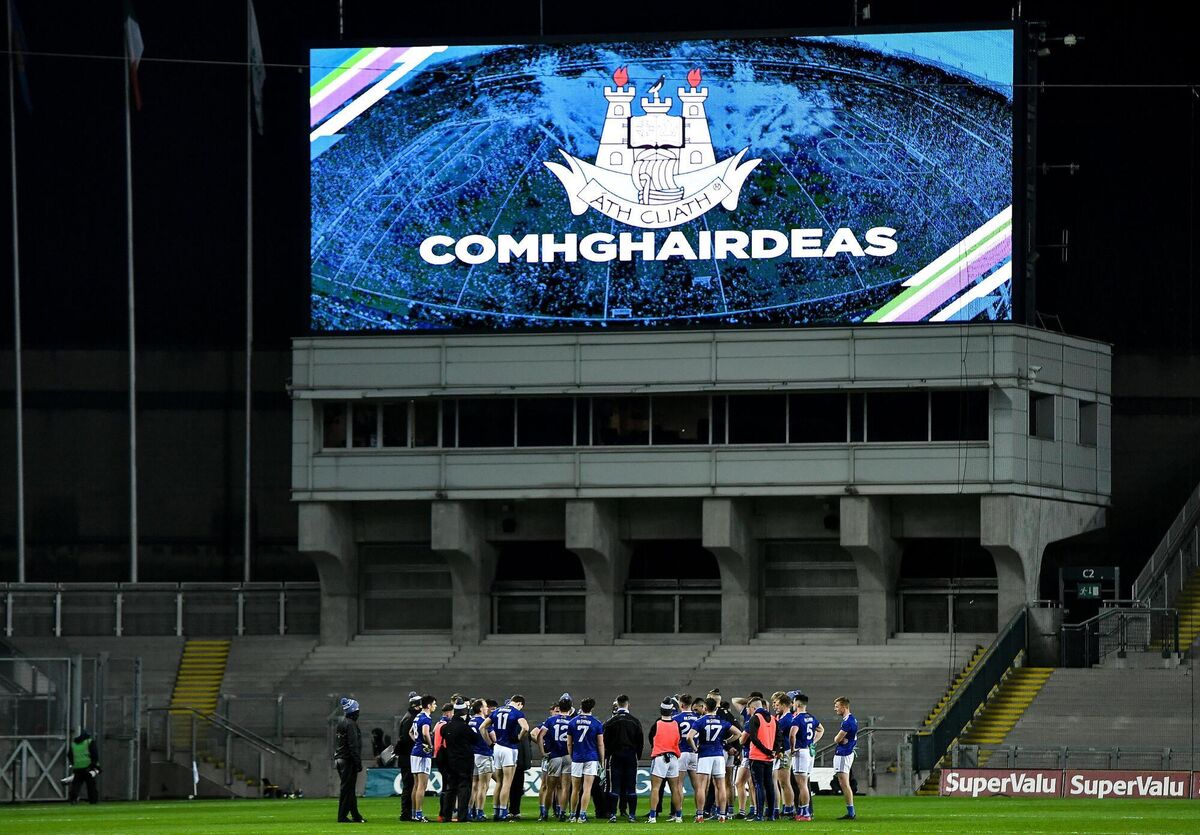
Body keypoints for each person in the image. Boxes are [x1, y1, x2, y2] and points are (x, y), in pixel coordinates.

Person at [647, 697, 696, 823]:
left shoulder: (657, 724)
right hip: (674, 758)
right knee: (675, 788)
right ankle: (678, 816)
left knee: (655, 788)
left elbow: (651, 738)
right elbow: (678, 740)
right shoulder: (676, 724)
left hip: (660, 757)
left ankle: (652, 816)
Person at [481, 694, 529, 821]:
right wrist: (519, 737)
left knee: (499, 782)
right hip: (509, 748)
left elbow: (482, 727)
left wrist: (490, 743)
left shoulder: (497, 711)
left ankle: (496, 811)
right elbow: (525, 728)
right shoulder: (517, 713)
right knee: (507, 782)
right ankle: (503, 811)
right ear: (519, 704)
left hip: (497, 747)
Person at [691, 697, 738, 823]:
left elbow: (689, 737)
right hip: (718, 755)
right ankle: (722, 815)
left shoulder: (700, 721)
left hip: (705, 755)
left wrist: (695, 748)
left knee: (701, 787)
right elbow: (738, 733)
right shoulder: (722, 721)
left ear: (705, 708)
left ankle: (700, 815)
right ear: (716, 708)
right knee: (721, 786)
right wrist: (725, 741)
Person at [603, 694, 643, 822]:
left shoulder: (610, 722)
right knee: (631, 786)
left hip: (615, 756)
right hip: (631, 755)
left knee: (614, 786)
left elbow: (605, 741)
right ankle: (632, 815)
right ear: (628, 704)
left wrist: (608, 754)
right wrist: (637, 756)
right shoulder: (635, 721)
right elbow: (640, 741)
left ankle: (613, 814)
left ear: (617, 704)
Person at [565, 697, 605, 823]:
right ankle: (582, 816)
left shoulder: (572, 722)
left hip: (577, 757)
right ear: (592, 708)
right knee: (587, 788)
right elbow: (600, 744)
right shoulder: (596, 723)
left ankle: (572, 815)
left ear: (581, 707)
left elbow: (569, 743)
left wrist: (572, 756)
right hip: (591, 758)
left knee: (575, 789)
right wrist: (602, 760)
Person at [741, 696, 777, 821]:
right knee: (769, 785)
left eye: (748, 709)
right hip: (769, 758)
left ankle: (759, 814)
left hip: (757, 756)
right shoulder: (773, 719)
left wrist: (766, 751)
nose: (748, 711)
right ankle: (771, 815)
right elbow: (779, 737)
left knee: (759, 785)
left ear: (753, 708)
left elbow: (754, 739)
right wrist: (773, 751)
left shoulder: (755, 718)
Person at [439, 699, 476, 823]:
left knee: (451, 789)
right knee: (464, 788)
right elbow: (475, 739)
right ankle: (462, 816)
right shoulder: (465, 728)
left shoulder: (445, 728)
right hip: (464, 761)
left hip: (450, 761)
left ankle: (446, 815)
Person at [789, 692, 823, 822]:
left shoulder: (797, 719)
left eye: (793, 703)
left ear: (797, 704)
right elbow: (821, 729)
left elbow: (792, 735)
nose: (792, 705)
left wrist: (792, 749)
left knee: (802, 785)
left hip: (801, 752)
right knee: (804, 783)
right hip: (809, 752)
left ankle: (805, 812)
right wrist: (813, 742)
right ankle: (803, 811)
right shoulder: (811, 717)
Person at [333, 698, 365, 824]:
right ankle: (342, 816)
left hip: (339, 758)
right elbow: (353, 745)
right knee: (347, 789)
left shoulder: (341, 723)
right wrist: (358, 762)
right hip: (347, 760)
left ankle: (356, 815)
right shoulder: (351, 724)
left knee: (349, 789)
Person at [410, 694, 437, 822]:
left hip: (415, 752)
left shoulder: (417, 717)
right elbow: (426, 733)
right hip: (422, 754)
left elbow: (410, 732)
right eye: (434, 704)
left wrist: (417, 742)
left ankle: (414, 813)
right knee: (422, 785)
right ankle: (419, 814)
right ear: (429, 705)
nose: (435, 706)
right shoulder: (426, 718)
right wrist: (430, 745)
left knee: (416, 785)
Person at [467, 698, 495, 822]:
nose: (487, 708)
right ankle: (479, 812)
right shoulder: (485, 722)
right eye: (485, 706)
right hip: (484, 754)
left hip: (473, 755)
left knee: (474, 785)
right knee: (483, 786)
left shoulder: (470, 721)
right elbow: (494, 738)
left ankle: (469, 811)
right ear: (480, 709)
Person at [832, 697, 858, 821]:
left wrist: (839, 740)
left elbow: (837, 739)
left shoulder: (847, 722)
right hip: (846, 752)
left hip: (843, 754)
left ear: (844, 707)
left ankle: (851, 812)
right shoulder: (852, 719)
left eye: (837, 706)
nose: (835, 709)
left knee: (844, 783)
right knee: (843, 783)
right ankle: (851, 811)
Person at [397, 691, 421, 821]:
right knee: (409, 785)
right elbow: (406, 740)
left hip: (406, 756)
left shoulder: (409, 717)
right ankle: (406, 813)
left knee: (410, 785)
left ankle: (409, 812)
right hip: (408, 757)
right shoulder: (410, 719)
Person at [771, 692, 795, 818]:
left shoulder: (787, 719)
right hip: (783, 751)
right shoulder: (783, 717)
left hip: (785, 751)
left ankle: (789, 808)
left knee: (785, 781)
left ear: (784, 705)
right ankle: (786, 806)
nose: (775, 707)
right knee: (782, 782)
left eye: (777, 704)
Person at [66, 729, 100, 805]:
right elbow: (95, 754)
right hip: (88, 767)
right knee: (91, 785)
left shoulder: (73, 744)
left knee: (76, 785)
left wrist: (74, 763)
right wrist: (94, 765)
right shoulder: (89, 742)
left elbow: (69, 755)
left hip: (77, 767)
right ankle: (93, 800)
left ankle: (73, 799)